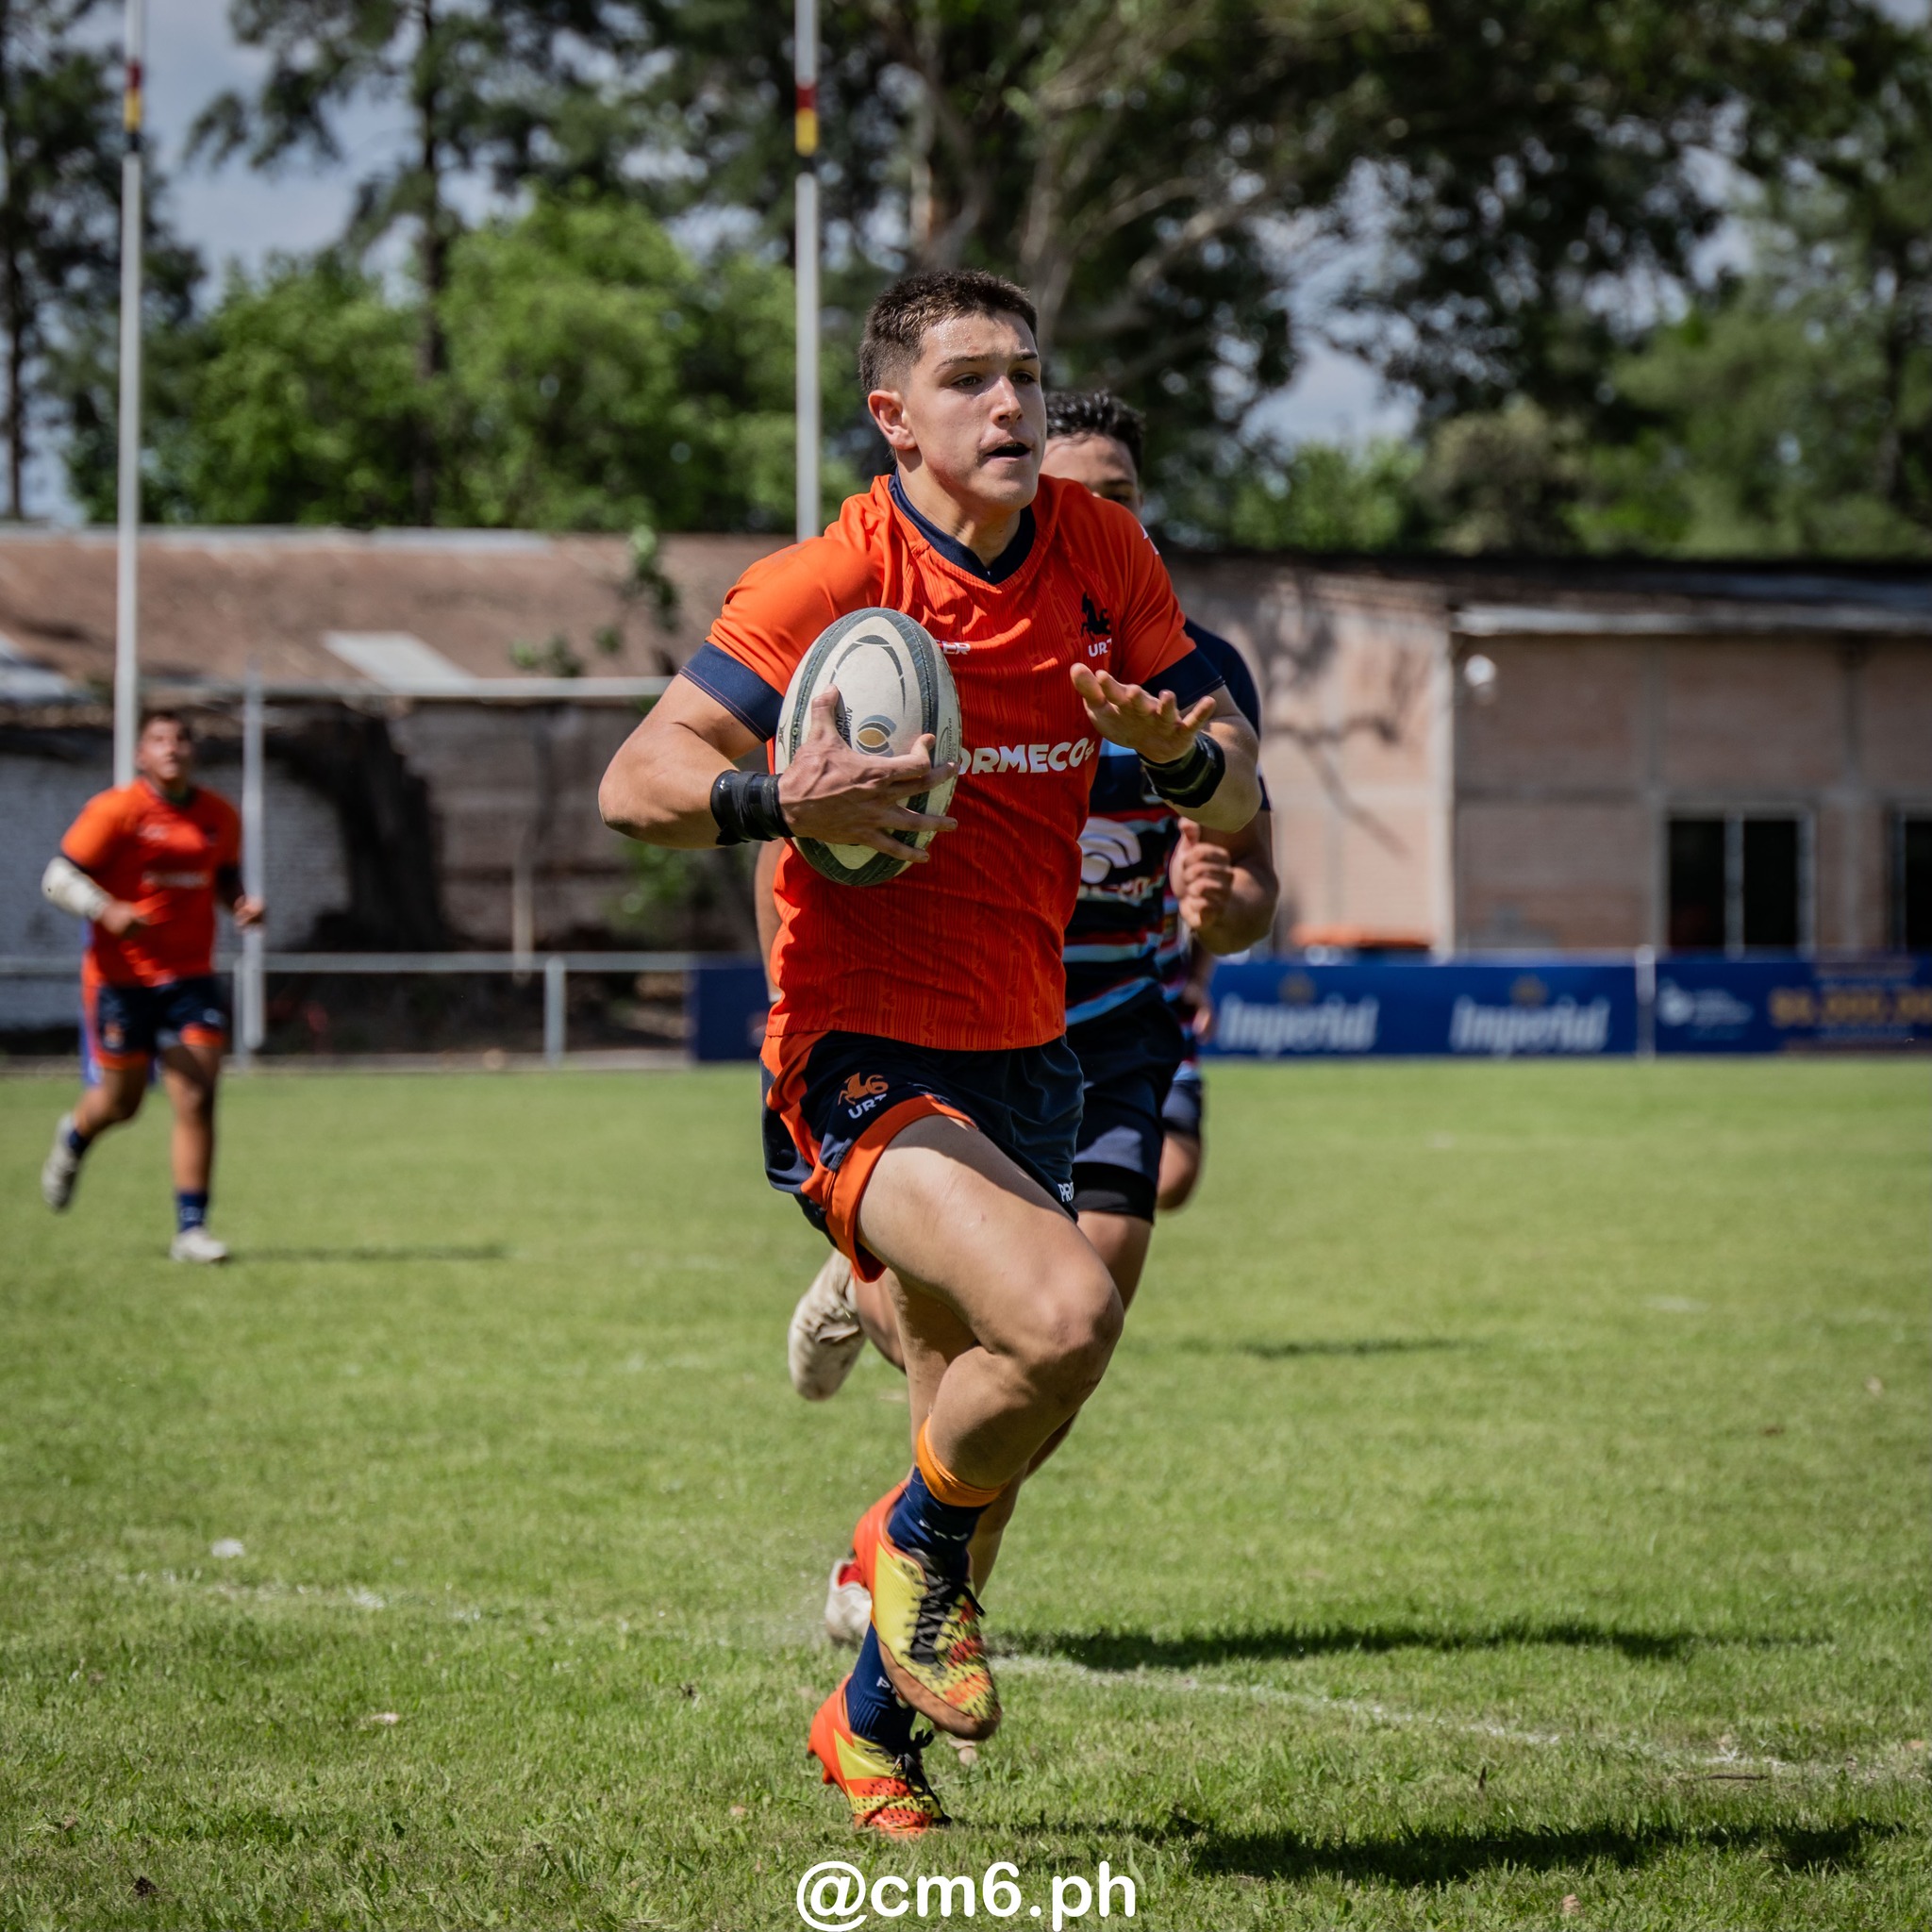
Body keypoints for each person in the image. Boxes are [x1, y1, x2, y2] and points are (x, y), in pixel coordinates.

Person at [599, 268, 1260, 1836]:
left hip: (1026, 1051)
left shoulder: (1102, 554)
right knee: (1065, 1308)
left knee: (1003, 1371)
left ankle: (867, 1722)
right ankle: (908, 1543)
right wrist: (784, 801)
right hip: (854, 1047)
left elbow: (1232, 805)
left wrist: (1180, 756)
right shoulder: (833, 576)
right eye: (971, 380)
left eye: (1027, 373)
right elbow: (637, 778)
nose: (1014, 404)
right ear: (893, 417)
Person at [781, 390, 1277, 1642]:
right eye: (1076, 495)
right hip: (968, 1025)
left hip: (1119, 1027)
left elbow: (1250, 876)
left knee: (1066, 1347)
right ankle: (870, 1291)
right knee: (991, 1336)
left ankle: (925, 1587)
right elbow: (805, 828)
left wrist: (1220, 902)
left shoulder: (1195, 670)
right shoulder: (934, 654)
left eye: (1121, 498)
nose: (1097, 518)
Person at [38, 710, 265, 1262]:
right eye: (160, 740)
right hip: (122, 978)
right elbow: (58, 876)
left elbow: (222, 872)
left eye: (182, 738)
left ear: (193, 752)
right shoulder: (116, 811)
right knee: (122, 1104)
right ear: (141, 755)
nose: (173, 748)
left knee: (197, 1094)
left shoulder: (219, 815)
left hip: (190, 976)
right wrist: (105, 908)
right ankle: (75, 1135)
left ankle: (192, 1229)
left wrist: (239, 903)